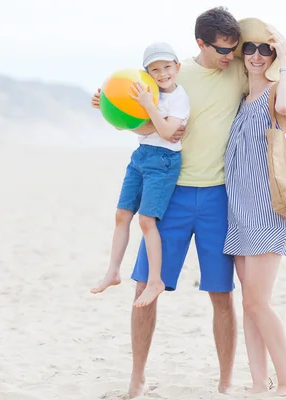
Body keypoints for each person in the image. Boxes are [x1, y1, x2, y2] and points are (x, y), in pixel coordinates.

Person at [91, 7, 248, 397]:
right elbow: (142, 118)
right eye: (222, 49)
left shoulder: (239, 72)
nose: (229, 55)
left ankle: (226, 380)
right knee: (143, 287)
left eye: (233, 48)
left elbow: (274, 77)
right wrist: (107, 104)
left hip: (217, 195)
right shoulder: (172, 75)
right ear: (200, 44)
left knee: (221, 294)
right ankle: (138, 376)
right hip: (172, 191)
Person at [223, 17, 286, 395]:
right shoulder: (240, 100)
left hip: (269, 211)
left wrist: (285, 55)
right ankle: (258, 383)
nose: (255, 55)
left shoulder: (275, 93)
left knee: (258, 301)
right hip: (237, 213)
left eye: (263, 49)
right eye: (249, 48)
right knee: (249, 306)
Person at [90, 42, 191, 308]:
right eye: (155, 70)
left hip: (164, 161)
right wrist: (106, 107)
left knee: (147, 221)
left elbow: (168, 133)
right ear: (147, 72)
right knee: (122, 214)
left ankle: (155, 280)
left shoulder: (179, 97)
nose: (162, 74)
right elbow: (139, 128)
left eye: (167, 67)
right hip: (141, 156)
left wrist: (149, 106)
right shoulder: (147, 92)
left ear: (177, 67)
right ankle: (112, 271)